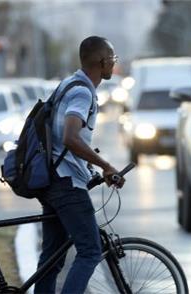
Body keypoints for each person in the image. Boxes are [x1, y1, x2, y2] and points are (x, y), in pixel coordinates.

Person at [34, 36, 125, 294]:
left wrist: (90, 168)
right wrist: (106, 165)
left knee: (52, 257)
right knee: (90, 251)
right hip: (65, 184)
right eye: (113, 58)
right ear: (102, 61)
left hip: (51, 179)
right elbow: (70, 137)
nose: (114, 63)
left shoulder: (68, 84)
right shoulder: (82, 92)